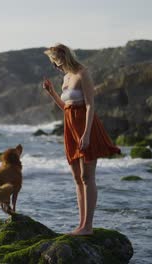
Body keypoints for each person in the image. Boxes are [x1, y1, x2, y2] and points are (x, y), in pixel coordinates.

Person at [42, 43, 121, 236]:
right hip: (70, 126)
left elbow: (89, 106)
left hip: (86, 127)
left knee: (87, 177)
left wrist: (86, 134)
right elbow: (66, 107)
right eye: (53, 64)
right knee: (77, 178)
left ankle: (88, 226)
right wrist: (52, 92)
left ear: (64, 56)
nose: (56, 67)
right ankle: (81, 225)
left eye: (57, 62)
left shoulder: (82, 73)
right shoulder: (66, 77)